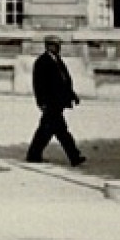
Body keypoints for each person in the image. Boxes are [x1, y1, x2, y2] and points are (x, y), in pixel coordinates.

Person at [25, 34, 87, 167]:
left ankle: (33, 154)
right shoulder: (42, 61)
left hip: (58, 102)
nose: (58, 48)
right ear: (48, 46)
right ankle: (74, 156)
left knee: (47, 130)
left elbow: (64, 80)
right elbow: (38, 84)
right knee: (60, 131)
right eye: (55, 45)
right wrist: (41, 102)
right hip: (50, 102)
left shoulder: (57, 60)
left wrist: (72, 95)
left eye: (58, 45)